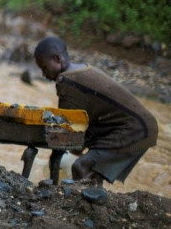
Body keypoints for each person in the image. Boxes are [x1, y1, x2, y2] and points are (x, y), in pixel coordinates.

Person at [33, 36, 158, 185]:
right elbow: (82, 125)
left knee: (81, 167)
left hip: (134, 130)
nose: (44, 74)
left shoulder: (67, 81)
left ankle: (83, 204)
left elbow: (66, 131)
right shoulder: (82, 69)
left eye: (44, 68)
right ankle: (92, 199)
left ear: (57, 58)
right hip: (142, 126)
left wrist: (55, 153)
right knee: (91, 170)